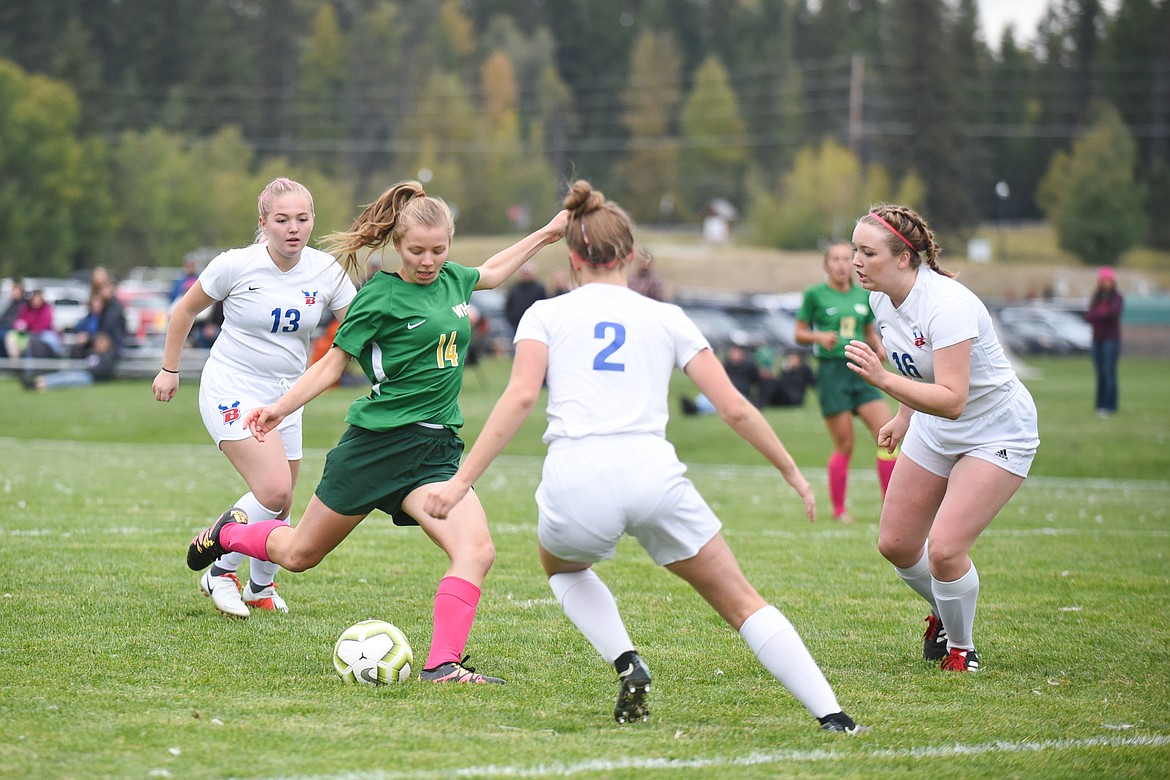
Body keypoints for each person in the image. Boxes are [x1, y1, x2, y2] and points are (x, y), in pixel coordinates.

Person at [425, 179, 864, 733]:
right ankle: (834, 716)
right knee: (740, 601)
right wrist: (792, 472)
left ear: (573, 256)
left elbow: (518, 399)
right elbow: (733, 407)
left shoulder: (545, 314)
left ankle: (628, 661)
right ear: (631, 256)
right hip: (653, 474)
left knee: (561, 569)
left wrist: (460, 482)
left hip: (576, 474)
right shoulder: (667, 317)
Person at [184, 180, 569, 683]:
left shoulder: (454, 280)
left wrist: (548, 232)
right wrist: (279, 407)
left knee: (476, 550)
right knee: (300, 554)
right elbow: (330, 366)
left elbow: (493, 272)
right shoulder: (379, 297)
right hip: (376, 448)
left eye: (439, 249)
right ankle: (226, 534)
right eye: (416, 251)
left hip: (434, 452)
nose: (429, 261)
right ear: (396, 246)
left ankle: (443, 665)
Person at [843, 204, 1040, 673]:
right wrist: (903, 416)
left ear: (904, 258)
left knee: (946, 549)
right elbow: (919, 368)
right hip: (936, 425)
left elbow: (952, 397)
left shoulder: (948, 304)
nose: (855, 261)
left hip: (995, 428)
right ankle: (947, 612)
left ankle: (961, 649)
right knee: (895, 544)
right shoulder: (879, 299)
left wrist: (884, 382)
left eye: (867, 252)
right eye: (854, 249)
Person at [155, 177, 357, 619]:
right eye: (282, 219)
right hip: (232, 386)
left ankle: (259, 587)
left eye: (303, 219)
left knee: (282, 503)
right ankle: (220, 572)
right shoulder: (234, 265)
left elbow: (361, 323)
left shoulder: (327, 272)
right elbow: (185, 310)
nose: (293, 228)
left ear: (312, 221)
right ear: (263, 222)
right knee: (272, 489)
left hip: (287, 396)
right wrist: (170, 369)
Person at [796, 240, 897, 523]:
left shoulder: (864, 294)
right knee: (845, 445)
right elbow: (799, 333)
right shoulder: (815, 294)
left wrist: (879, 347)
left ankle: (892, 507)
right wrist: (818, 337)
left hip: (863, 371)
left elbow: (868, 330)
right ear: (826, 264)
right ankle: (840, 511)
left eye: (846, 259)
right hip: (832, 373)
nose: (842, 265)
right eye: (835, 259)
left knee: (887, 438)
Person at [680, 342, 763, 415]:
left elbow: (757, 381)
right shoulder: (726, 366)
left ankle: (697, 410)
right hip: (723, 389)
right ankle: (695, 406)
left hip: (738, 393)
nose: (735, 354)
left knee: (721, 402)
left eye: (737, 352)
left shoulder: (749, 367)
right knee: (706, 396)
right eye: (733, 352)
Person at [1085, 266, 1123, 417]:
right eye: (1104, 280)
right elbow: (1090, 315)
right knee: (1100, 373)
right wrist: (1100, 314)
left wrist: (1099, 314)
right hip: (1097, 339)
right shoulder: (1097, 297)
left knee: (1109, 372)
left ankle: (1110, 406)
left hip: (1111, 340)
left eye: (1109, 280)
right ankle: (1100, 405)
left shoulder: (1117, 298)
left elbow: (1110, 315)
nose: (1107, 283)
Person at [25, 330, 119, 391]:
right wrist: (83, 344)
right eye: (98, 342)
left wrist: (90, 370)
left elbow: (102, 371)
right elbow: (77, 353)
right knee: (63, 375)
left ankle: (41, 385)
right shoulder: (91, 352)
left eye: (102, 343)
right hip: (83, 372)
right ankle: (38, 381)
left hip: (90, 378)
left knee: (68, 379)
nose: (99, 345)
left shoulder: (107, 356)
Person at [4, 289, 64, 359]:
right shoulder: (26, 308)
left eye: (38, 299)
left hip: (42, 332)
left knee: (51, 340)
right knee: (12, 338)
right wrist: (20, 325)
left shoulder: (46, 309)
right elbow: (19, 320)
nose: (36, 301)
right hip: (27, 333)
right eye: (35, 299)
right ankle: (16, 362)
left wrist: (30, 327)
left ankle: (60, 356)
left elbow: (45, 324)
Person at [504, 261, 547, 331]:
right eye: (525, 274)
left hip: (533, 324)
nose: (526, 276)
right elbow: (508, 305)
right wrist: (510, 319)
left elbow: (543, 305)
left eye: (528, 274)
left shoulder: (539, 289)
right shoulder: (514, 288)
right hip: (515, 324)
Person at [1, 280, 28, 346]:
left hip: (14, 328)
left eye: (17, 291)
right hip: (5, 326)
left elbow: (19, 319)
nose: (14, 293)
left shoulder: (23, 304)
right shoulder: (11, 303)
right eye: (14, 291)